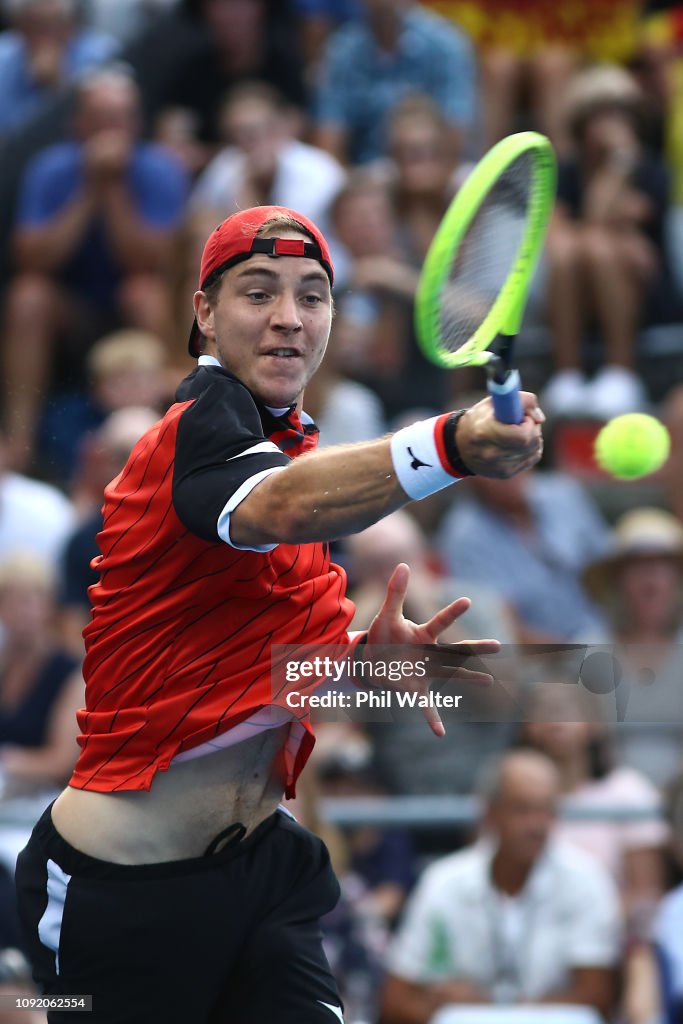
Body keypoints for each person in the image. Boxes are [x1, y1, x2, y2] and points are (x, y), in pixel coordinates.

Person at [14, 204, 543, 1024]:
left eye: (312, 296)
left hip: (263, 875)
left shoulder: (293, 455)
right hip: (116, 897)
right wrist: (451, 447)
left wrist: (361, 665)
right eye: (258, 293)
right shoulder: (195, 432)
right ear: (204, 315)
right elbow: (284, 508)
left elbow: (239, 676)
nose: (289, 318)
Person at [2, 66, 189, 468]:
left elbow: (154, 262)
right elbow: (30, 259)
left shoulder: (160, 168)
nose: (110, 130)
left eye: (119, 119)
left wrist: (115, 188)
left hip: (138, 308)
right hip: (77, 311)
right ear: (78, 124)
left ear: (136, 124)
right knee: (28, 296)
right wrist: (90, 189)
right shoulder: (51, 168)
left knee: (142, 290)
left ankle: (190, 419)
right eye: (100, 119)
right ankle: (20, 442)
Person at [312, 0, 476, 165]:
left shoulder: (446, 43)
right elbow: (328, 141)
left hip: (436, 168)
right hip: (367, 173)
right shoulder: (342, 50)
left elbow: (456, 133)